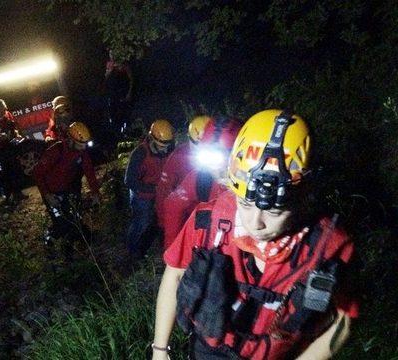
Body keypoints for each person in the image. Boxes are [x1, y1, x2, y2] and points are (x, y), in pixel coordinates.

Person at [152, 110, 358, 360]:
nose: (255, 223)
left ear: (302, 199)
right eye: (246, 204)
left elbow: (344, 321)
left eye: (275, 211)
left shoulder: (330, 248)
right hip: (210, 351)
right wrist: (160, 350)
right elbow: (174, 273)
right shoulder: (208, 222)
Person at [160, 117, 241, 250]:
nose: (217, 166)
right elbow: (173, 205)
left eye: (225, 155)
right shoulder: (201, 177)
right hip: (213, 248)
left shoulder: (255, 181)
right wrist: (173, 251)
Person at [33, 122, 101, 260]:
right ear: (70, 140)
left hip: (69, 189)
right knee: (60, 224)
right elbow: (37, 173)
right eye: (81, 144)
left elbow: (90, 173)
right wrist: (47, 195)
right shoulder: (55, 151)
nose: (84, 147)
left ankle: (79, 243)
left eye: (85, 144)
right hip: (52, 192)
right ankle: (49, 240)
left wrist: (95, 193)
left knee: (75, 217)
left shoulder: (81, 152)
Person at [124, 119, 175, 259]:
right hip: (141, 194)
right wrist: (154, 189)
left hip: (160, 192)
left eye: (167, 145)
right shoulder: (140, 153)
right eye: (161, 146)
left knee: (159, 220)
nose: (165, 149)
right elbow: (129, 181)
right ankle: (132, 252)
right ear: (152, 139)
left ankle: (157, 248)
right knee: (141, 222)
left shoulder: (169, 148)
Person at [155, 115, 212, 228]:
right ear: (189, 139)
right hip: (185, 215)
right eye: (197, 144)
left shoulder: (220, 156)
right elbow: (164, 191)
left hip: (211, 215)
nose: (202, 148)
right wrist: (163, 221)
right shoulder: (178, 157)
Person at [104, 49, 134, 137]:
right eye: (110, 54)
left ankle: (124, 131)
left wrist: (129, 92)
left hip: (122, 93)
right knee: (113, 113)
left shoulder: (123, 65)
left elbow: (130, 78)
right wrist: (109, 71)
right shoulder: (109, 64)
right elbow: (106, 78)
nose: (112, 55)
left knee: (123, 113)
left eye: (113, 54)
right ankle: (114, 132)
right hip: (113, 94)